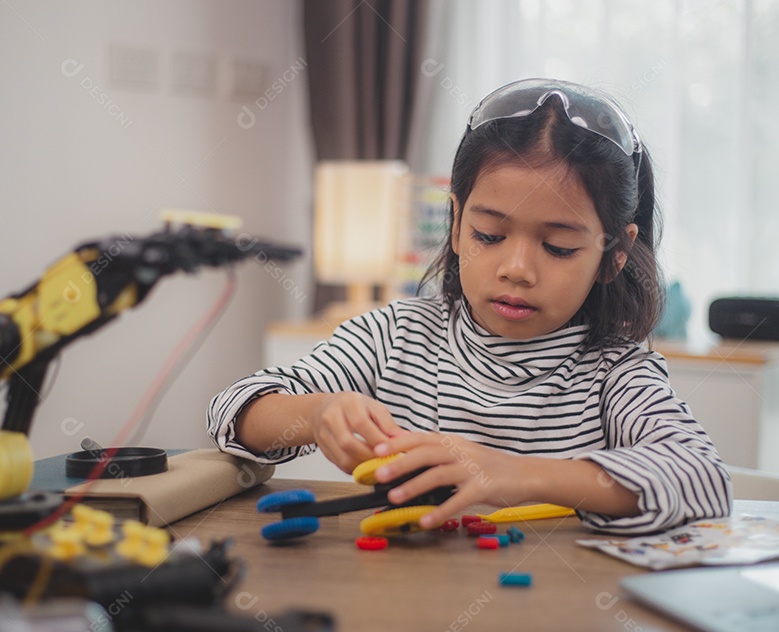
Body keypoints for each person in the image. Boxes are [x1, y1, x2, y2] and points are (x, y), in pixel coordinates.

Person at [207, 78, 731, 535]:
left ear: (614, 254)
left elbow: (702, 478)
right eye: (489, 234)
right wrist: (316, 414)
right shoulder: (395, 337)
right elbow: (234, 409)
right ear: (456, 225)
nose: (517, 269)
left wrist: (515, 475)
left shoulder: (615, 372)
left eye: (559, 247)